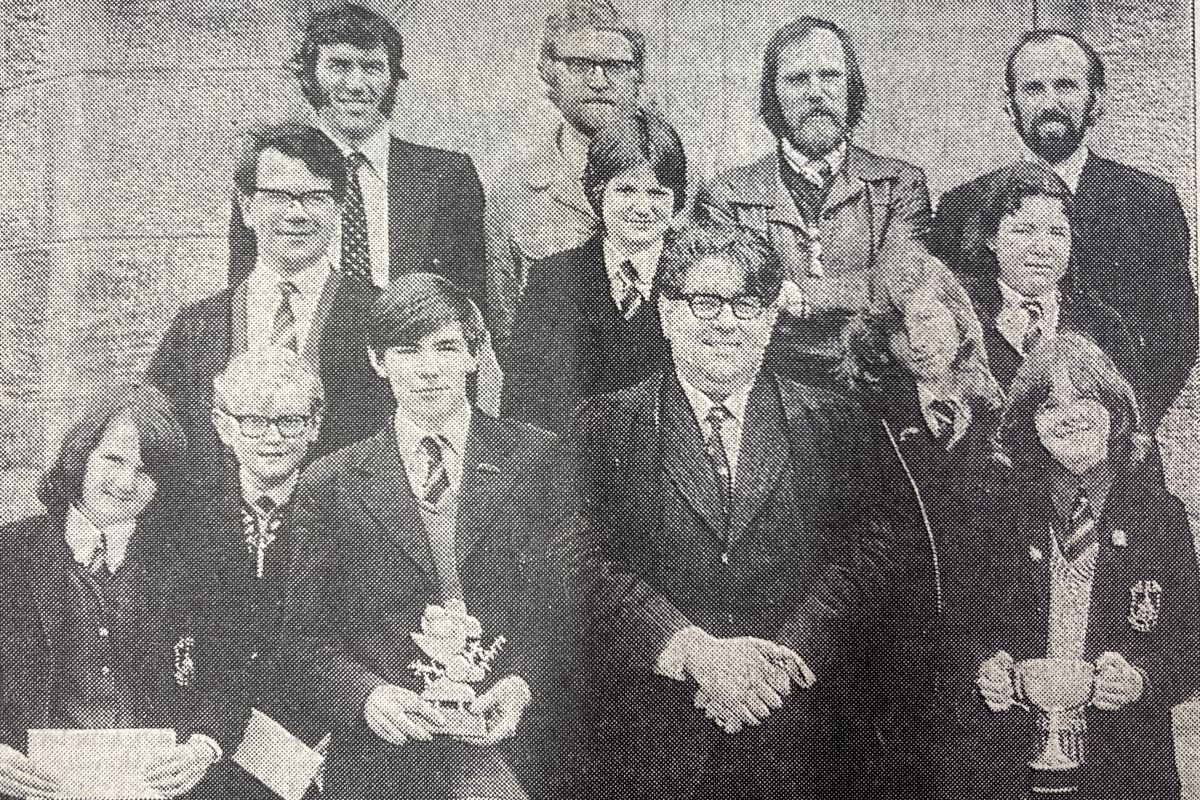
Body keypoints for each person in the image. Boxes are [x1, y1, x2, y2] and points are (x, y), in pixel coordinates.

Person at [571, 223, 896, 800]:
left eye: (744, 303)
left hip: (801, 724)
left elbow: (874, 549)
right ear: (668, 315)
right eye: (701, 303)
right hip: (653, 731)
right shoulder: (608, 422)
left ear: (771, 319)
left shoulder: (827, 416)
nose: (722, 321)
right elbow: (586, 557)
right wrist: (693, 651)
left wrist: (789, 656)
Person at [280, 274, 570, 800]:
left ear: (475, 355)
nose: (429, 368)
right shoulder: (328, 482)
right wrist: (367, 696)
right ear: (377, 361)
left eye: (446, 347)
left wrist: (522, 682)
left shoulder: (538, 459)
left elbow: (569, 600)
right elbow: (298, 633)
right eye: (407, 350)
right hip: (384, 761)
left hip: (514, 747)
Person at [937, 332, 1200, 800]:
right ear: (1029, 425)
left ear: (1116, 412)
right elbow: (952, 629)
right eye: (1049, 405)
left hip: (1127, 770)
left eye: (1086, 398)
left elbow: (1190, 644)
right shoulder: (993, 513)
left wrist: (1141, 678)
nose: (1070, 415)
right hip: (1004, 768)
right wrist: (982, 668)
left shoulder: (1160, 516)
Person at [929, 29, 1196, 429]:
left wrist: (1122, 428)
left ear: (1096, 101)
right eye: (1033, 88)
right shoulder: (961, 206)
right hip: (994, 458)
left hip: (1108, 449)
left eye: (1066, 86)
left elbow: (1176, 335)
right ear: (1010, 103)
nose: (1050, 102)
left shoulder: (1147, 201)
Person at [0, 384, 223, 800]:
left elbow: (230, 676)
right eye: (114, 460)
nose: (126, 482)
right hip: (36, 788)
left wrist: (203, 747)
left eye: (145, 471)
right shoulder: (9, 555)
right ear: (80, 457)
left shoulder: (188, 566)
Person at [148, 122, 393, 492]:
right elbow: (154, 440)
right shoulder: (197, 328)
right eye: (279, 197)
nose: (297, 214)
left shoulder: (378, 315)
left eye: (315, 198)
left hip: (344, 538)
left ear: (339, 209)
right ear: (247, 208)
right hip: (219, 539)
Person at [837, 253, 1004, 798]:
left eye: (928, 319)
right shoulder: (867, 420)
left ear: (960, 321)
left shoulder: (1002, 415)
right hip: (900, 654)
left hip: (990, 652)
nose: (919, 339)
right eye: (902, 330)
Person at [694, 16, 931, 388]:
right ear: (773, 95)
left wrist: (798, 293)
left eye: (830, 76)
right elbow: (729, 296)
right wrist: (853, 291)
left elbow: (902, 286)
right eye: (797, 79)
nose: (816, 93)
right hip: (767, 388)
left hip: (876, 385)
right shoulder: (726, 192)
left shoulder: (900, 183)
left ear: (852, 88)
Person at [228, 3, 488, 309]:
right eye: (339, 65)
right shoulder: (270, 174)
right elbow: (247, 298)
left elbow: (469, 304)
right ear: (310, 75)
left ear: (393, 78)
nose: (356, 84)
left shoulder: (447, 175)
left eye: (373, 68)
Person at [176, 349, 330, 800]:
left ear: (314, 427)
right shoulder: (188, 518)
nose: (273, 438)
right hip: (206, 744)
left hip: (315, 744)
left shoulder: (343, 515)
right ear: (224, 427)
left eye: (290, 421)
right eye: (254, 422)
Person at [501, 110, 684, 434]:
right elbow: (523, 404)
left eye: (657, 193)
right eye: (626, 191)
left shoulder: (691, 281)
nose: (643, 208)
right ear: (598, 192)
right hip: (572, 470)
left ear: (676, 200)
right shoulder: (552, 279)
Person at [486, 0, 645, 350]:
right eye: (580, 64)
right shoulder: (513, 193)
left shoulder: (679, 184)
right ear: (549, 73)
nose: (599, 81)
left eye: (615, 66)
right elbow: (506, 330)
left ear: (638, 78)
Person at [965, 162, 1139, 393]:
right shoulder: (964, 316)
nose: (1042, 248)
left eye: (1057, 233)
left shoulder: (1103, 325)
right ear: (992, 238)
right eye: (1024, 231)